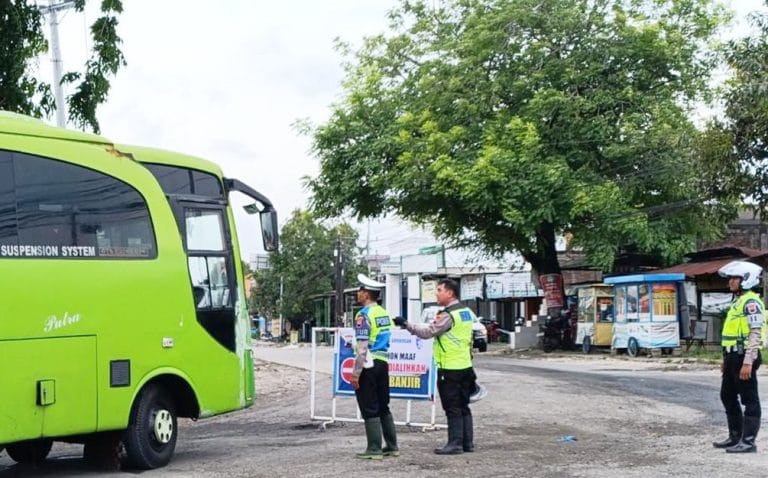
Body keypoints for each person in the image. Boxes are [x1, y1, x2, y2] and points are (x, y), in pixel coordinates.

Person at [394, 278, 477, 455]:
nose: (436, 293)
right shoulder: (466, 312)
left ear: (450, 293)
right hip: (465, 366)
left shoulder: (448, 315)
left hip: (450, 368)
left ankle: (455, 443)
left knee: (452, 406)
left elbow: (428, 332)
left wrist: (406, 324)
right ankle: (467, 442)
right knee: (463, 405)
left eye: (439, 290)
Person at [713, 261, 766, 453]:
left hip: (745, 356)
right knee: (726, 395)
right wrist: (725, 359)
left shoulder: (751, 303)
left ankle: (748, 441)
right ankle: (735, 436)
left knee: (749, 398)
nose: (730, 282)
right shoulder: (738, 301)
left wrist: (748, 362)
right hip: (732, 356)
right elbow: (732, 333)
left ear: (746, 279)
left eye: (734, 278)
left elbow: (755, 333)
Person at [349, 273, 398, 459]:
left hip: (368, 363)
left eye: (360, 291)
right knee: (383, 405)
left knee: (369, 405)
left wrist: (355, 373)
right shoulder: (383, 313)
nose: (357, 294)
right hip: (383, 362)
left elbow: (362, 347)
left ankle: (374, 448)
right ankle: (392, 446)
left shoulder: (363, 315)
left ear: (366, 294)